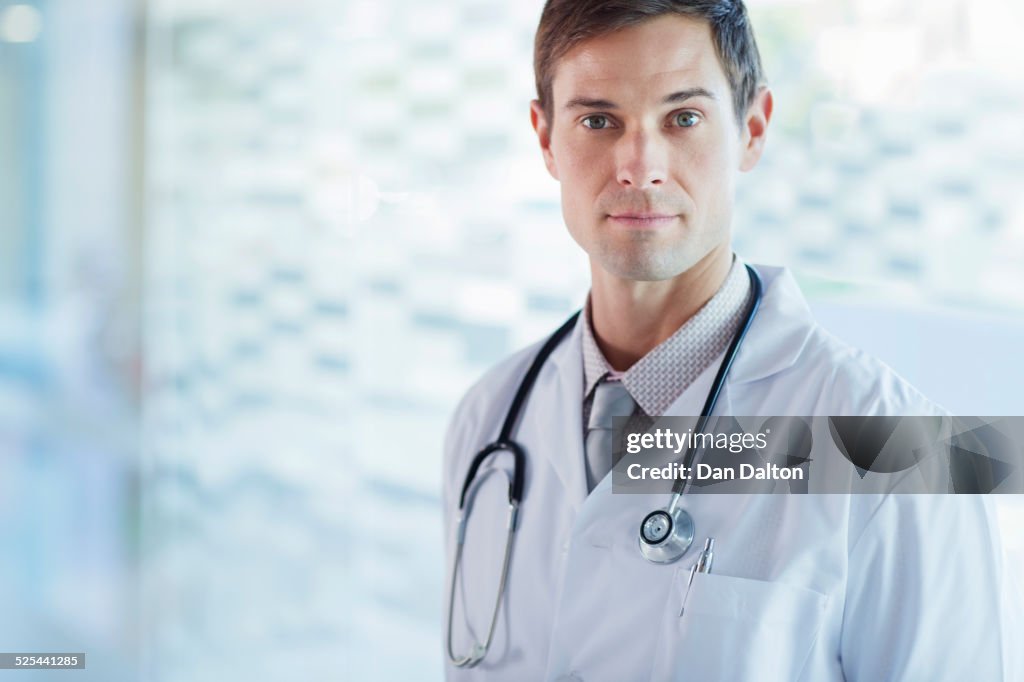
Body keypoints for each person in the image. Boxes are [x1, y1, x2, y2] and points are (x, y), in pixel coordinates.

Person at [442, 1, 1022, 680]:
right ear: (545, 138)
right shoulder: (489, 421)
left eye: (683, 118)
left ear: (752, 127)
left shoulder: (898, 451)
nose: (639, 166)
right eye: (598, 120)